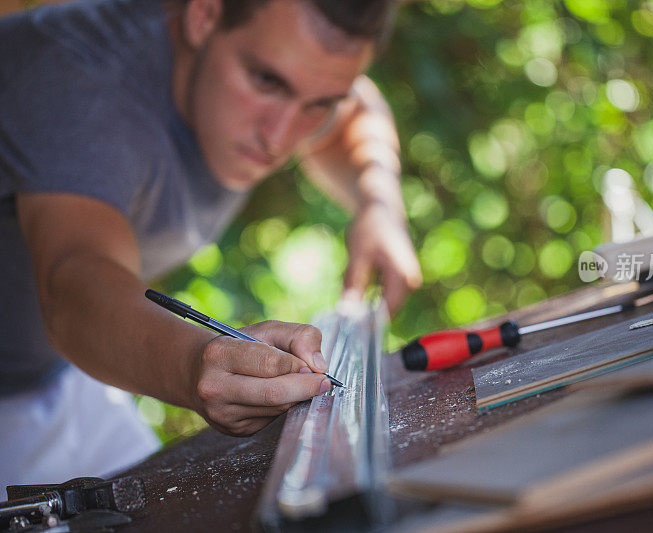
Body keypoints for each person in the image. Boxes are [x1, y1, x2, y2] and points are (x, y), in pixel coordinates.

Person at [0, 0, 421, 487]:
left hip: (56, 379)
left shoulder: (295, 67)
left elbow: (355, 108)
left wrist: (380, 200)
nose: (278, 139)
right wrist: (196, 363)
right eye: (266, 82)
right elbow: (72, 285)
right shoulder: (81, 83)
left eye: (317, 104)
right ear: (203, 15)